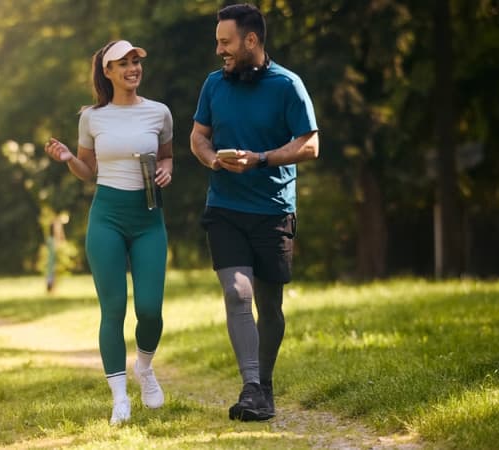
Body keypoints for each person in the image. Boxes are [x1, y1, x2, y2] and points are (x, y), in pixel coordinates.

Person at [189, 3, 319, 422]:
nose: (219, 51)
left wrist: (261, 159)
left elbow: (310, 145)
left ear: (251, 40)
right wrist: (212, 161)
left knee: (270, 306)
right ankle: (251, 387)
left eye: (225, 42)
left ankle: (264, 385)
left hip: (273, 210)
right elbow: (197, 137)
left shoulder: (287, 85)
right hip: (225, 207)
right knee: (236, 292)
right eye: (216, 43)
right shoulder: (213, 85)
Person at [44, 39, 174, 425]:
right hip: (107, 218)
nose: (133, 68)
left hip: (149, 218)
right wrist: (70, 159)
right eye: (124, 63)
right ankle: (119, 398)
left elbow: (167, 156)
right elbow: (89, 170)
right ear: (108, 71)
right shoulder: (92, 118)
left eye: (136, 61)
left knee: (150, 309)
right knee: (113, 308)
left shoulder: (159, 113)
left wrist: (168, 169)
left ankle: (145, 369)